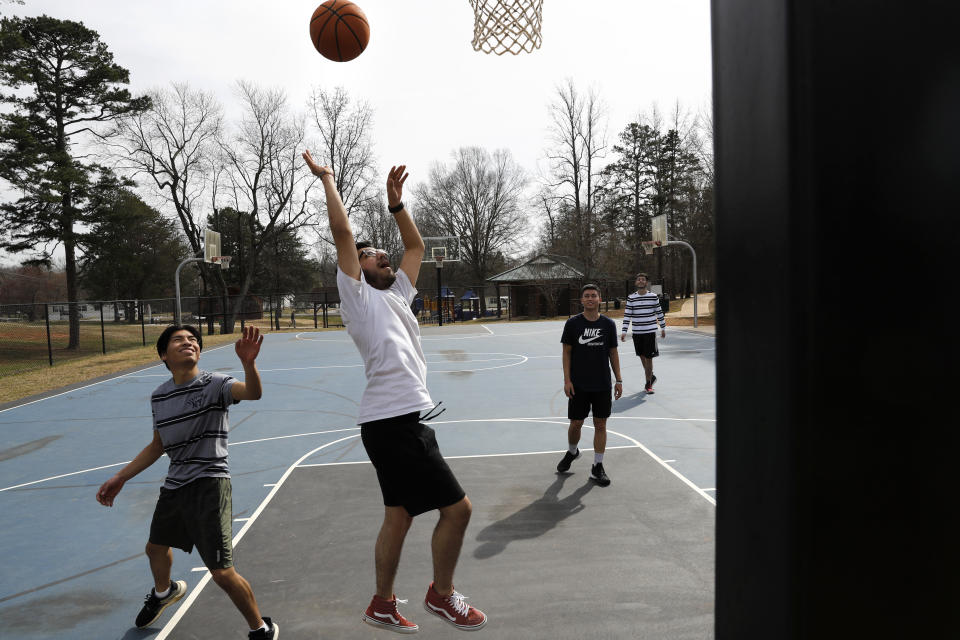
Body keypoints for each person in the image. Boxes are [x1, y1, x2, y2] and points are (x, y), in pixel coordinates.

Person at [302, 150, 487, 633]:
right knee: (459, 509)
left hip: (391, 423)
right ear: (357, 268)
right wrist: (328, 179)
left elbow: (417, 247)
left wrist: (397, 206)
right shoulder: (359, 298)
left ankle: (381, 603)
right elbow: (343, 235)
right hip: (394, 422)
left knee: (400, 516)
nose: (383, 255)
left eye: (382, 252)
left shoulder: (398, 294)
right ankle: (441, 595)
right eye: (371, 255)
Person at [96, 325, 278, 640]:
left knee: (221, 572)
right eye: (179, 339)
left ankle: (261, 629)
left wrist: (248, 363)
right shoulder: (160, 396)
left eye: (193, 339)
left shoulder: (216, 384)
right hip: (175, 485)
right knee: (155, 549)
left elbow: (253, 393)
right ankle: (164, 592)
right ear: (164, 354)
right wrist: (120, 477)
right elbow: (158, 445)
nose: (188, 342)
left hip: (209, 484)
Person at [556, 284, 623, 487]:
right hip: (579, 384)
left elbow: (613, 352)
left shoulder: (608, 325)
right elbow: (566, 352)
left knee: (600, 424)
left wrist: (618, 379)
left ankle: (597, 466)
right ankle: (572, 451)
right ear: (582, 300)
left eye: (594, 295)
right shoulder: (573, 324)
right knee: (576, 423)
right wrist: (567, 380)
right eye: (587, 296)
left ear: (600, 299)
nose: (591, 299)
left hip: (602, 383)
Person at [620, 272, 666, 393]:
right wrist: (624, 331)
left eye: (643, 279)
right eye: (639, 279)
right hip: (637, 333)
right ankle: (651, 376)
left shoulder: (653, 296)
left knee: (649, 357)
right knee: (642, 356)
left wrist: (663, 328)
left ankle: (648, 384)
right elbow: (627, 315)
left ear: (646, 282)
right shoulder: (631, 298)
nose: (641, 281)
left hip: (650, 332)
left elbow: (659, 313)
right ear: (636, 282)